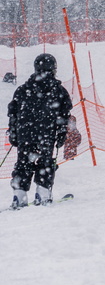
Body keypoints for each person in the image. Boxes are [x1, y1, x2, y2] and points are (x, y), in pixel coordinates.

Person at [7, 53, 74, 208]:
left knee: (23, 163)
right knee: (45, 163)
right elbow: (64, 114)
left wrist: (14, 131)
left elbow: (13, 112)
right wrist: (61, 132)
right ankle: (42, 194)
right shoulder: (58, 91)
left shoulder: (23, 89)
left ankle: (19, 196)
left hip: (26, 133)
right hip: (46, 133)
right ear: (53, 69)